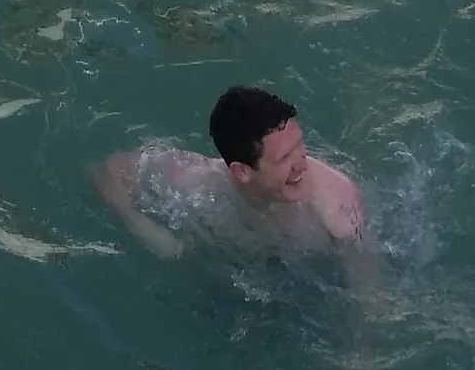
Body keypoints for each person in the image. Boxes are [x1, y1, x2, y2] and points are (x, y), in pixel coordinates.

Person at [90, 85, 368, 261]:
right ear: (241, 172)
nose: (302, 164)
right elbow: (108, 170)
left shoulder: (336, 205)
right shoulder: (197, 181)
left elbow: (370, 295)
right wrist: (138, 222)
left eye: (300, 146)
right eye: (284, 158)